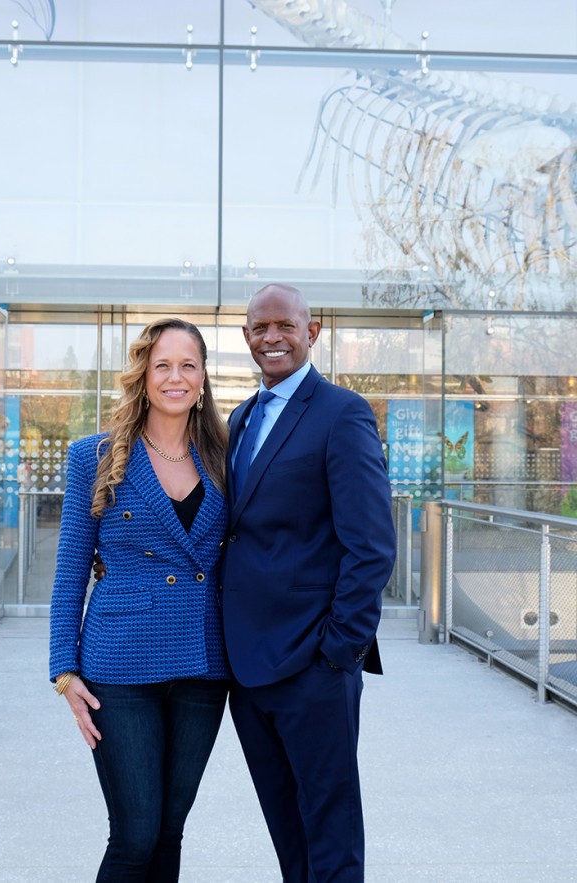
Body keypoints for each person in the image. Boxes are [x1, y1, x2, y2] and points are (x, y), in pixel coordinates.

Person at [221, 283, 396, 882]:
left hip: (313, 667)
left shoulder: (342, 412)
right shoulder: (241, 417)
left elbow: (370, 546)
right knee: (286, 828)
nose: (272, 338)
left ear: (312, 333)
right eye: (259, 328)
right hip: (247, 670)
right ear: (246, 337)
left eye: (285, 326)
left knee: (330, 828)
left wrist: (337, 652)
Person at [49, 318, 230, 883]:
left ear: (202, 378)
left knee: (170, 830)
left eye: (188, 365)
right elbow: (70, 569)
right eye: (163, 365)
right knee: (135, 834)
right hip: (120, 665)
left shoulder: (226, 456)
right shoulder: (95, 457)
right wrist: (63, 668)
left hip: (204, 665)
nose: (176, 377)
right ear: (144, 376)